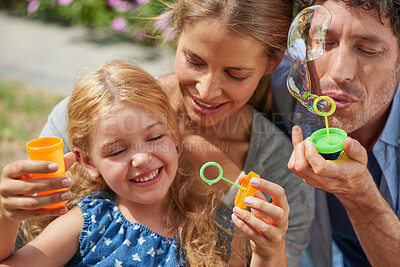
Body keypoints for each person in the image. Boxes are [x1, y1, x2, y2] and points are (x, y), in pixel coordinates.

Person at [0, 0, 314, 266]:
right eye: (194, 60)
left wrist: (269, 251)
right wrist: (6, 211)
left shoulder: (279, 173)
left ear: (272, 63)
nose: (206, 90)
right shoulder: (93, 117)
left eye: (235, 74)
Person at [281, 0, 400, 266]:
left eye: (368, 50)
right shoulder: (284, 84)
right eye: (324, 43)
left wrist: (360, 197)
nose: (339, 72)